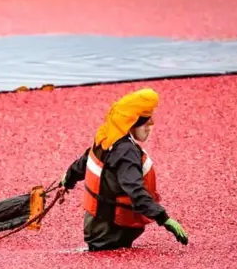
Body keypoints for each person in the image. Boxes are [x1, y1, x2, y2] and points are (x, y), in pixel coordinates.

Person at [59, 87, 188, 251]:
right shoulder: (126, 153)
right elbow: (135, 191)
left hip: (96, 224)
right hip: (111, 230)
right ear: (132, 123)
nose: (150, 126)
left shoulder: (106, 137)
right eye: (145, 122)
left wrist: (67, 179)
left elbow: (84, 161)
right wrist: (165, 219)